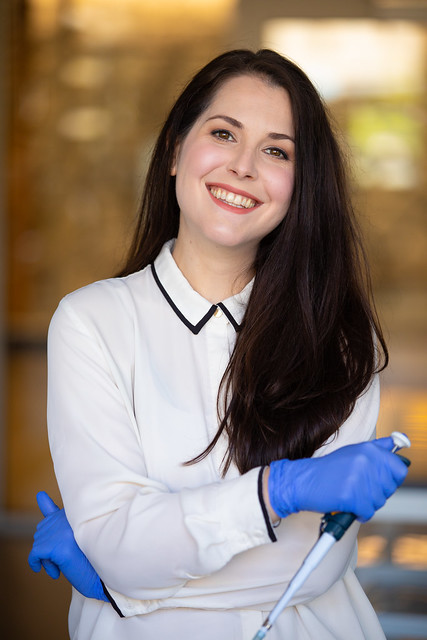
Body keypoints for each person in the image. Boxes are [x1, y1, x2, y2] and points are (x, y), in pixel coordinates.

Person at [28, 49, 408, 640]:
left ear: (300, 186)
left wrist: (119, 577)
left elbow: (312, 566)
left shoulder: (334, 340)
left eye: (277, 151)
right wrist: (278, 496)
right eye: (224, 133)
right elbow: (122, 544)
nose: (244, 166)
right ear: (177, 150)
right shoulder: (93, 322)